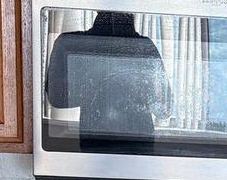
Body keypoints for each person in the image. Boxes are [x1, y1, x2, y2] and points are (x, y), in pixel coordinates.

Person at [45, 11, 172, 150]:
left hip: (99, 146)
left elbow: (164, 108)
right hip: (134, 149)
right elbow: (164, 109)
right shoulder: (144, 46)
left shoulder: (70, 43)